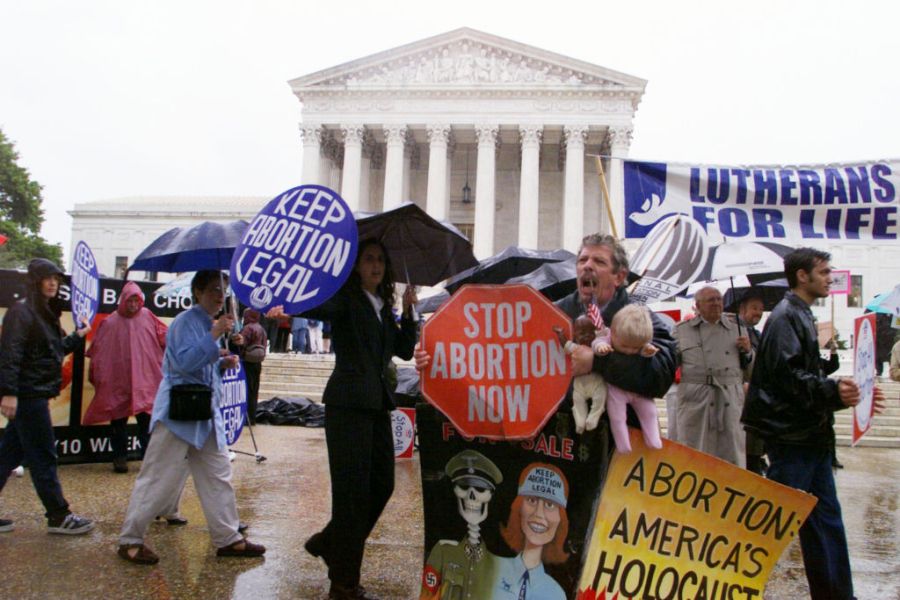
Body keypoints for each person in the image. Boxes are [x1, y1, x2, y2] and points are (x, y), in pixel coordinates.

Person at [742, 247, 886, 600]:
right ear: (802, 276)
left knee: (825, 523)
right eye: (823, 272)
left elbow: (807, 374)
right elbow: (789, 378)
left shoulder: (800, 314)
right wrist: (835, 393)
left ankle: (837, 594)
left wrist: (848, 389)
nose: (829, 277)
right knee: (769, 523)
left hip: (809, 437)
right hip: (792, 439)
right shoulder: (786, 316)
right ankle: (723, 578)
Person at [291, 239, 418, 600]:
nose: (376, 266)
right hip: (347, 406)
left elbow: (404, 349)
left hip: (376, 405)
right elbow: (318, 305)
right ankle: (344, 584)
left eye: (381, 259)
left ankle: (331, 542)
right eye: (369, 259)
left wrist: (409, 312)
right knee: (351, 496)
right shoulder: (346, 300)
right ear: (356, 266)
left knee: (383, 485)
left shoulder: (382, 306)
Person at [118, 270, 265, 564]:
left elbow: (201, 366)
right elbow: (183, 363)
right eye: (212, 289)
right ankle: (130, 539)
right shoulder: (186, 322)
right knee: (157, 477)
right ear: (197, 292)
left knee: (218, 475)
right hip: (179, 414)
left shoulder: (210, 324)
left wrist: (221, 361)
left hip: (205, 415)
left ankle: (228, 538)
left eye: (222, 290)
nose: (219, 295)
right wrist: (213, 338)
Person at [0, 258, 94, 535]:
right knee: (43, 455)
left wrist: (78, 336)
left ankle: (58, 514)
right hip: (29, 395)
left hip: (33, 393)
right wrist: (9, 393)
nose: (53, 283)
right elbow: (10, 354)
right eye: (47, 278)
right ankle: (58, 515)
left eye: (56, 278)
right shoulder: (22, 313)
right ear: (35, 281)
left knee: (7, 456)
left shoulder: (43, 314)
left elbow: (51, 353)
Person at [84, 281, 167, 473]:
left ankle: (148, 459)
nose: (133, 304)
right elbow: (97, 351)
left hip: (144, 381)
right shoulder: (110, 322)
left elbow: (166, 336)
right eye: (130, 300)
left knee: (146, 422)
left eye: (137, 300)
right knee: (118, 420)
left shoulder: (148, 316)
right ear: (123, 300)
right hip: (119, 382)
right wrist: (96, 374)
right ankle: (119, 458)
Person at [675, 286, 753, 467]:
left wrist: (748, 351)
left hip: (729, 401)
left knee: (731, 454)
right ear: (698, 306)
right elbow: (669, 364)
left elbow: (751, 371)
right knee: (694, 454)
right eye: (711, 300)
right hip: (697, 402)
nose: (717, 303)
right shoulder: (681, 331)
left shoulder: (738, 330)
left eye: (719, 299)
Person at [420, 450, 504, 600]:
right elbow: (428, 594)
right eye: (464, 487)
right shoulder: (444, 550)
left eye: (480, 489)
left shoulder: (499, 563)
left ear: (490, 495)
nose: (471, 495)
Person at [494, 463, 569, 600]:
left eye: (550, 505)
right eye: (532, 500)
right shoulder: (491, 569)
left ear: (560, 519)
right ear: (519, 508)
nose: (539, 514)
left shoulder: (556, 595)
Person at [553, 315, 608, 434]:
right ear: (575, 336)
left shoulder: (597, 346)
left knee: (600, 399)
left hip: (596, 382)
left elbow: (604, 337)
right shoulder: (576, 348)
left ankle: (593, 419)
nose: (587, 336)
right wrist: (560, 334)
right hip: (579, 383)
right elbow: (565, 344)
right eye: (582, 333)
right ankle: (580, 422)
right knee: (577, 402)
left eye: (591, 332)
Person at [737, 294, 766, 475]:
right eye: (755, 308)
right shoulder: (735, 331)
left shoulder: (757, 334)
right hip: (741, 399)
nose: (759, 313)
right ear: (742, 309)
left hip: (757, 400)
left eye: (761, 310)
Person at [238, 308, 267, 426]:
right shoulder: (262, 328)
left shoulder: (248, 328)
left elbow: (241, 343)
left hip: (247, 362)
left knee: (247, 390)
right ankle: (252, 417)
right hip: (258, 362)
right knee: (254, 390)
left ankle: (246, 418)